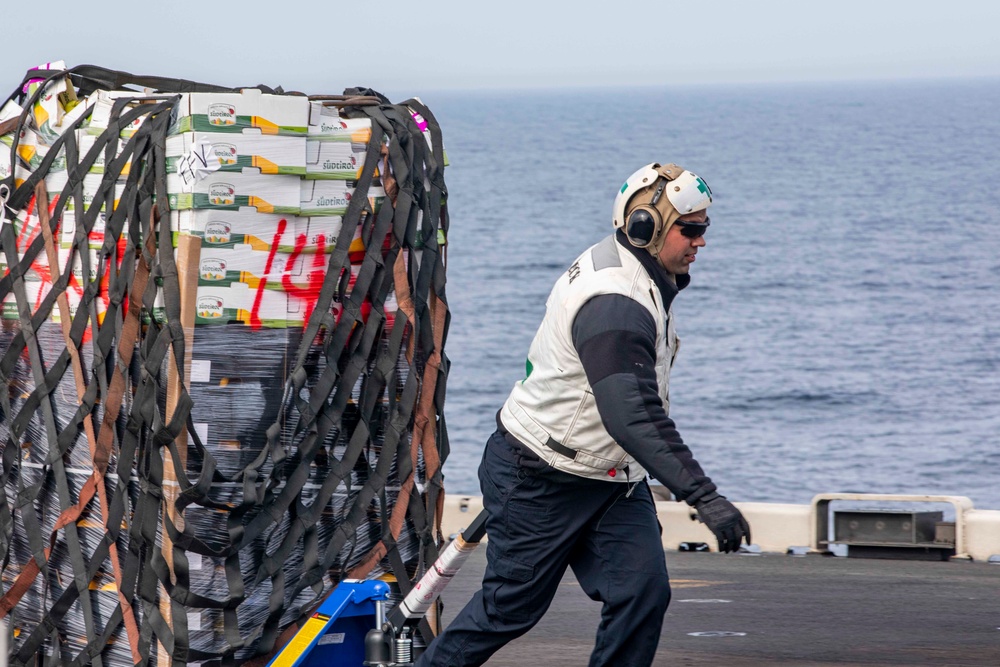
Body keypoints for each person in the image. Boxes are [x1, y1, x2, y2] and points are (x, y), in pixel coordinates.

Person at [417, 162, 752, 667]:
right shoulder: (615, 303)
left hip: (609, 476)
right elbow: (632, 416)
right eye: (692, 229)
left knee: (642, 591)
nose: (702, 241)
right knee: (508, 610)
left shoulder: (640, 273)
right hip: (539, 476)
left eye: (705, 228)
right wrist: (705, 497)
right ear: (646, 226)